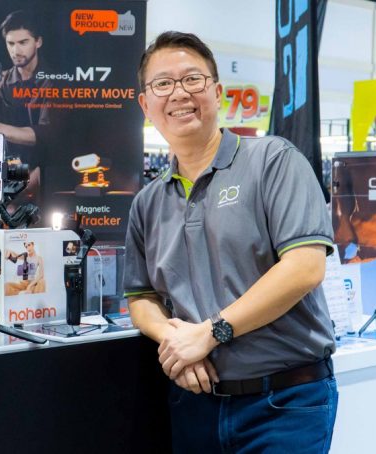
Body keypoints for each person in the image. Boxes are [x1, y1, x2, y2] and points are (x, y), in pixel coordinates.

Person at [123, 31, 338, 453]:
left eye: (192, 79)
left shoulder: (273, 161)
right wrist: (176, 342)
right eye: (163, 84)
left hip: (285, 403)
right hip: (195, 403)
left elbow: (305, 267)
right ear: (146, 105)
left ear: (217, 92)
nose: (179, 93)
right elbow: (141, 297)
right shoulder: (147, 202)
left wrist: (211, 333)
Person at [0, 10, 53, 193]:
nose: (16, 51)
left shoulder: (52, 81)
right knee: (5, 200)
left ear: (38, 42)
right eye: (11, 44)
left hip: (47, 168)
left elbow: (45, 135)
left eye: (23, 42)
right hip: (11, 163)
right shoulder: (0, 81)